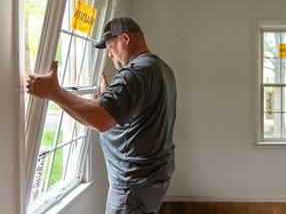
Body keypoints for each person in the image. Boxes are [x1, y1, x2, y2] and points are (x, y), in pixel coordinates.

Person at [26, 17, 177, 214]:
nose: (110, 55)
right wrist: (107, 102)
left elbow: (101, 120)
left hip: (133, 182)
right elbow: (120, 118)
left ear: (125, 39)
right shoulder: (161, 68)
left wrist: (54, 92)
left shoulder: (136, 72)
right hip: (154, 174)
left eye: (110, 46)